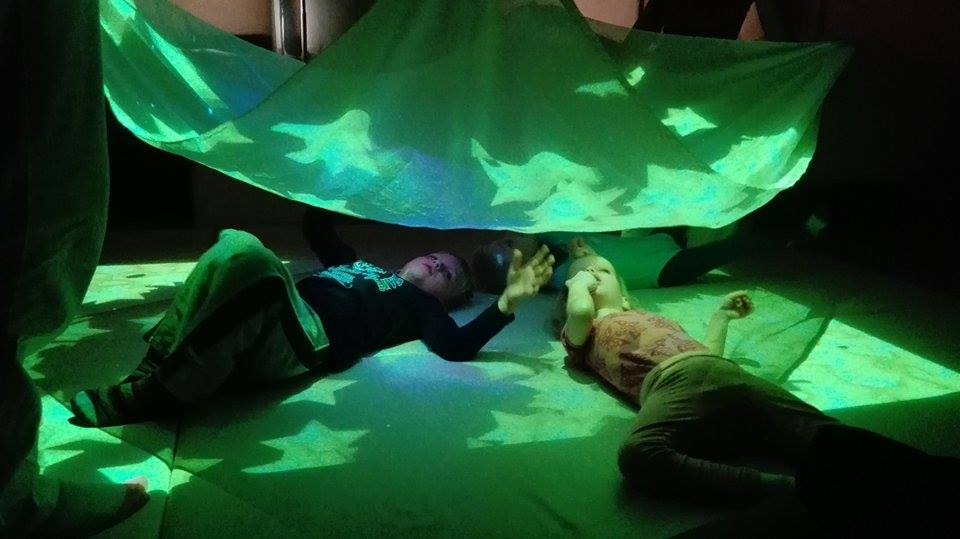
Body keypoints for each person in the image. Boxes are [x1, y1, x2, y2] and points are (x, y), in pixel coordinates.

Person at [557, 250, 960, 532]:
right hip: (671, 384)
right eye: (581, 275)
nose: (590, 276)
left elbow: (704, 353)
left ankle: (925, 472)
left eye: (601, 271)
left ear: (625, 292)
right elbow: (579, 311)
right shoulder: (584, 332)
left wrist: (720, 317)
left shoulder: (649, 315)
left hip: (724, 373)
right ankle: (780, 488)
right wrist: (578, 281)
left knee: (824, 433)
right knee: (638, 454)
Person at [69, 229, 554, 428]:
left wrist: (506, 304)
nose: (433, 266)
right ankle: (155, 368)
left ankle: (165, 393)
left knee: (256, 267)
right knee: (234, 244)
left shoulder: (421, 306)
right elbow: (317, 227)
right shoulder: (359, 264)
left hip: (307, 338)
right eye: (432, 257)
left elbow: (456, 346)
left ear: (447, 298)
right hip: (277, 313)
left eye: (445, 273)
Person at [472, 226, 765, 295]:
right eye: (509, 243)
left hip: (652, 243)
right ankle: (780, 234)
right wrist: (585, 258)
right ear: (526, 269)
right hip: (663, 269)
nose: (509, 234)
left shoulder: (550, 235)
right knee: (737, 246)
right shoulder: (566, 277)